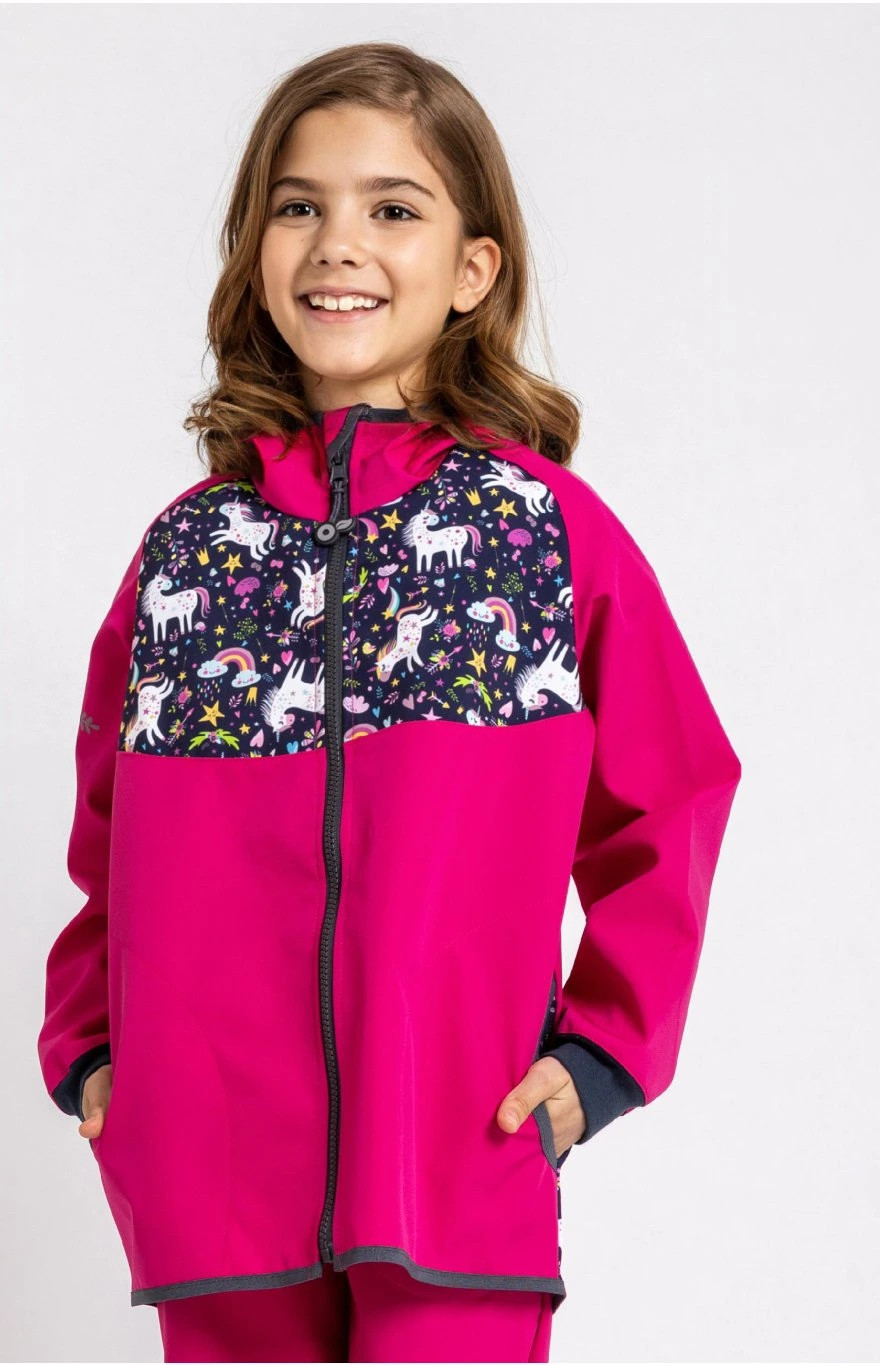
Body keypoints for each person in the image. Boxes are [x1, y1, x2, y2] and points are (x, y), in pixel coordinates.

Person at [37, 41, 742, 1364]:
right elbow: (106, 835)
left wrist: (603, 1053)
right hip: (211, 1175)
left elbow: (675, 794)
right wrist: (90, 1050)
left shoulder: (545, 536)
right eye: (298, 206)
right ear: (255, 251)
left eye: (393, 208)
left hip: (457, 1157)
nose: (337, 244)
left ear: (473, 269)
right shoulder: (187, 554)